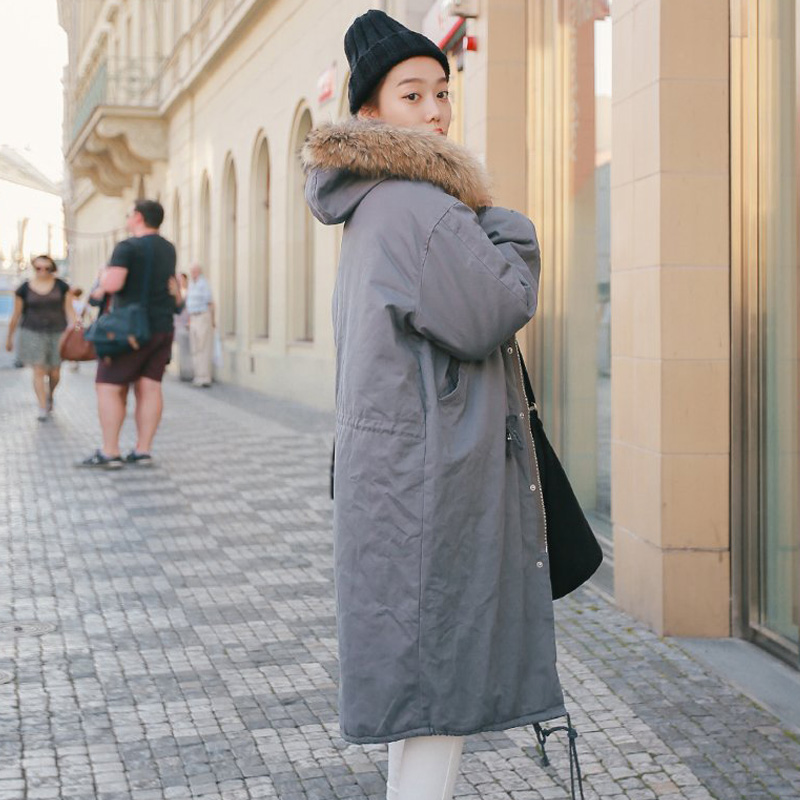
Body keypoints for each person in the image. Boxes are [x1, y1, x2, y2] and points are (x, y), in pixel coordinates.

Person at [303, 11, 566, 800]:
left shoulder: (373, 202)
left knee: (417, 693)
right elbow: (492, 307)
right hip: (431, 483)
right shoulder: (417, 206)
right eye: (412, 94)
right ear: (372, 113)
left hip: (397, 477)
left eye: (443, 92)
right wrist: (507, 228)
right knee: (437, 686)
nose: (437, 110)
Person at [77, 199, 177, 469]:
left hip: (128, 330)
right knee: (150, 386)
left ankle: (110, 452)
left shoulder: (127, 246)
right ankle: (143, 450)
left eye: (129, 214)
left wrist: (103, 277)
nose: (127, 218)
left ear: (138, 217)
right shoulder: (168, 248)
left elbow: (114, 282)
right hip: (162, 327)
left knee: (108, 387)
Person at [5, 255, 75, 420]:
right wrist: (9, 337)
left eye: (47, 268)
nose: (43, 271)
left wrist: (78, 329)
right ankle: (42, 407)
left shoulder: (62, 286)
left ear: (52, 268)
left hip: (58, 332)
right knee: (39, 369)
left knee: (55, 372)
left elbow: (70, 310)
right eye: (38, 268)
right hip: (32, 332)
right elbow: (16, 314)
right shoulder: (24, 288)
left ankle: (50, 394)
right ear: (34, 268)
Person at [185, 263, 215, 387]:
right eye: (191, 271)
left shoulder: (204, 284)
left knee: (204, 347)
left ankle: (205, 377)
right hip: (193, 317)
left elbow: (210, 303)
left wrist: (212, 320)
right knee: (195, 347)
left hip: (202, 316)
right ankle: (197, 376)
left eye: (194, 271)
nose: (192, 273)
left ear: (199, 272)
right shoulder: (192, 284)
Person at [173, 272, 193, 381]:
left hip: (186, 323)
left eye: (182, 279)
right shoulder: (177, 292)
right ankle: (183, 372)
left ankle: (188, 372)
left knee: (187, 349)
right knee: (181, 349)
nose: (180, 282)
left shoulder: (189, 292)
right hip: (177, 323)